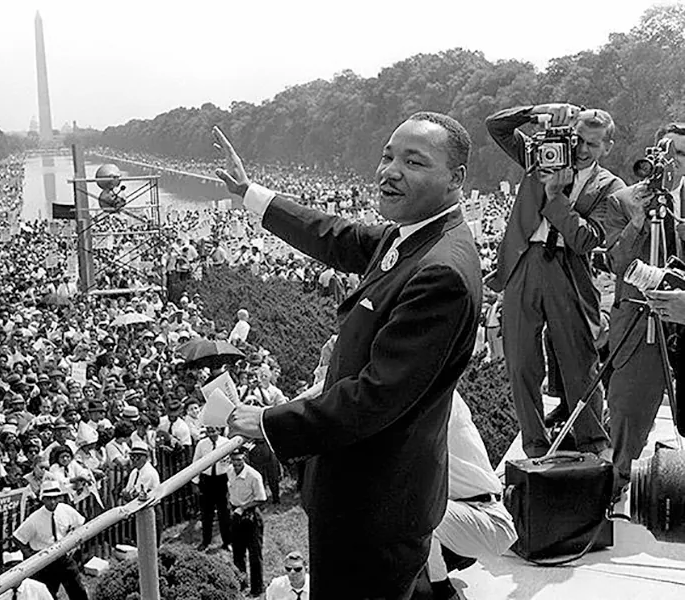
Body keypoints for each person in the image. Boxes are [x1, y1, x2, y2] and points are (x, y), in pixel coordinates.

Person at [215, 110, 481, 600]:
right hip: (366, 493)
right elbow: (334, 235)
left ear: (455, 179)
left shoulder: (440, 271)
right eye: (387, 156)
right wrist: (250, 193)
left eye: (414, 161)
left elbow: (376, 397)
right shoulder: (414, 235)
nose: (391, 170)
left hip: (375, 505)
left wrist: (270, 421)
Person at [485, 103, 624, 459]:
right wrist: (538, 111)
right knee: (520, 360)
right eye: (578, 139)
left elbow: (586, 240)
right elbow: (497, 126)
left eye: (592, 145)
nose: (581, 149)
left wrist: (555, 197)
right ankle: (534, 441)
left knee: (579, 358)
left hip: (568, 269)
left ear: (607, 147)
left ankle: (592, 440)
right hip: (523, 263)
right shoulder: (541, 155)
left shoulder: (610, 187)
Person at [604, 122, 685, 498]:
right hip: (640, 320)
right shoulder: (623, 200)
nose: (675, 163)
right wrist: (639, 220)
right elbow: (617, 262)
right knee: (629, 409)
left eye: (683, 155)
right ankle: (619, 484)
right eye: (670, 153)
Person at [427, 391, 517, 600]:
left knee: (416, 510)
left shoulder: (438, 402)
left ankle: (443, 592)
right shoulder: (433, 389)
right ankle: (448, 559)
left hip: (487, 518)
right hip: (464, 511)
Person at [12, 481, 88, 600]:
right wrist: (30, 556)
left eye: (55, 498)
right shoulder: (34, 519)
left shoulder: (66, 510)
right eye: (48, 499)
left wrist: (74, 544)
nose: (52, 502)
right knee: (48, 594)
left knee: (77, 590)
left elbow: (81, 524)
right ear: (43, 499)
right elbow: (17, 538)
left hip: (64, 557)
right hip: (45, 563)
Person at [227, 447, 266, 597]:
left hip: (251, 516)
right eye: (234, 459)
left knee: (254, 554)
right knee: (238, 553)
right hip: (236, 515)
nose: (236, 463)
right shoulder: (230, 471)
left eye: (239, 460)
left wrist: (243, 507)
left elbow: (261, 499)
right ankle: (242, 584)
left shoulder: (254, 476)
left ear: (245, 459)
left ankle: (257, 589)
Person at [191, 426, 232, 551]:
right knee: (206, 513)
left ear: (219, 431)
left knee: (224, 513)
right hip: (207, 480)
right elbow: (196, 463)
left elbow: (230, 464)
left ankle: (227, 542)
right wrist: (195, 483)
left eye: (214, 431)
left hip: (222, 480)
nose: (212, 434)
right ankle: (206, 541)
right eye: (209, 431)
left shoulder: (226, 443)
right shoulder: (202, 445)